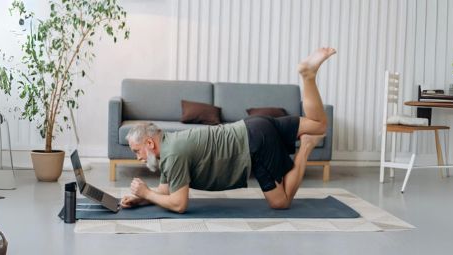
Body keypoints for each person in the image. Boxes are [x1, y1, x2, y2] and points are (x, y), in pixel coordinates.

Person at [121, 47, 337, 213]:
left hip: (254, 145)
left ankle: (306, 146)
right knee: (319, 124)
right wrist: (142, 198)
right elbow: (166, 191)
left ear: (149, 143)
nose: (137, 156)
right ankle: (308, 77)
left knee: (281, 202)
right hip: (254, 125)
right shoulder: (170, 144)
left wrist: (146, 192)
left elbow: (178, 204)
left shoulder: (173, 155)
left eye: (136, 150)